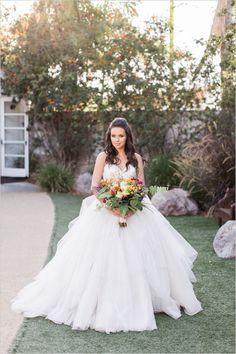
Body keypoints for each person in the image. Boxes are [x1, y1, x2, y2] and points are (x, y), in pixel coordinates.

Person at [11, 117, 203, 334]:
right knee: (101, 258)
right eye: (113, 136)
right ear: (109, 136)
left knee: (142, 254)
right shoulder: (103, 156)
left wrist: (130, 207)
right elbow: (95, 187)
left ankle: (144, 299)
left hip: (134, 212)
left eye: (121, 135)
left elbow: (141, 187)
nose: (117, 140)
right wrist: (112, 208)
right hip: (105, 211)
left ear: (127, 136)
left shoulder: (136, 158)